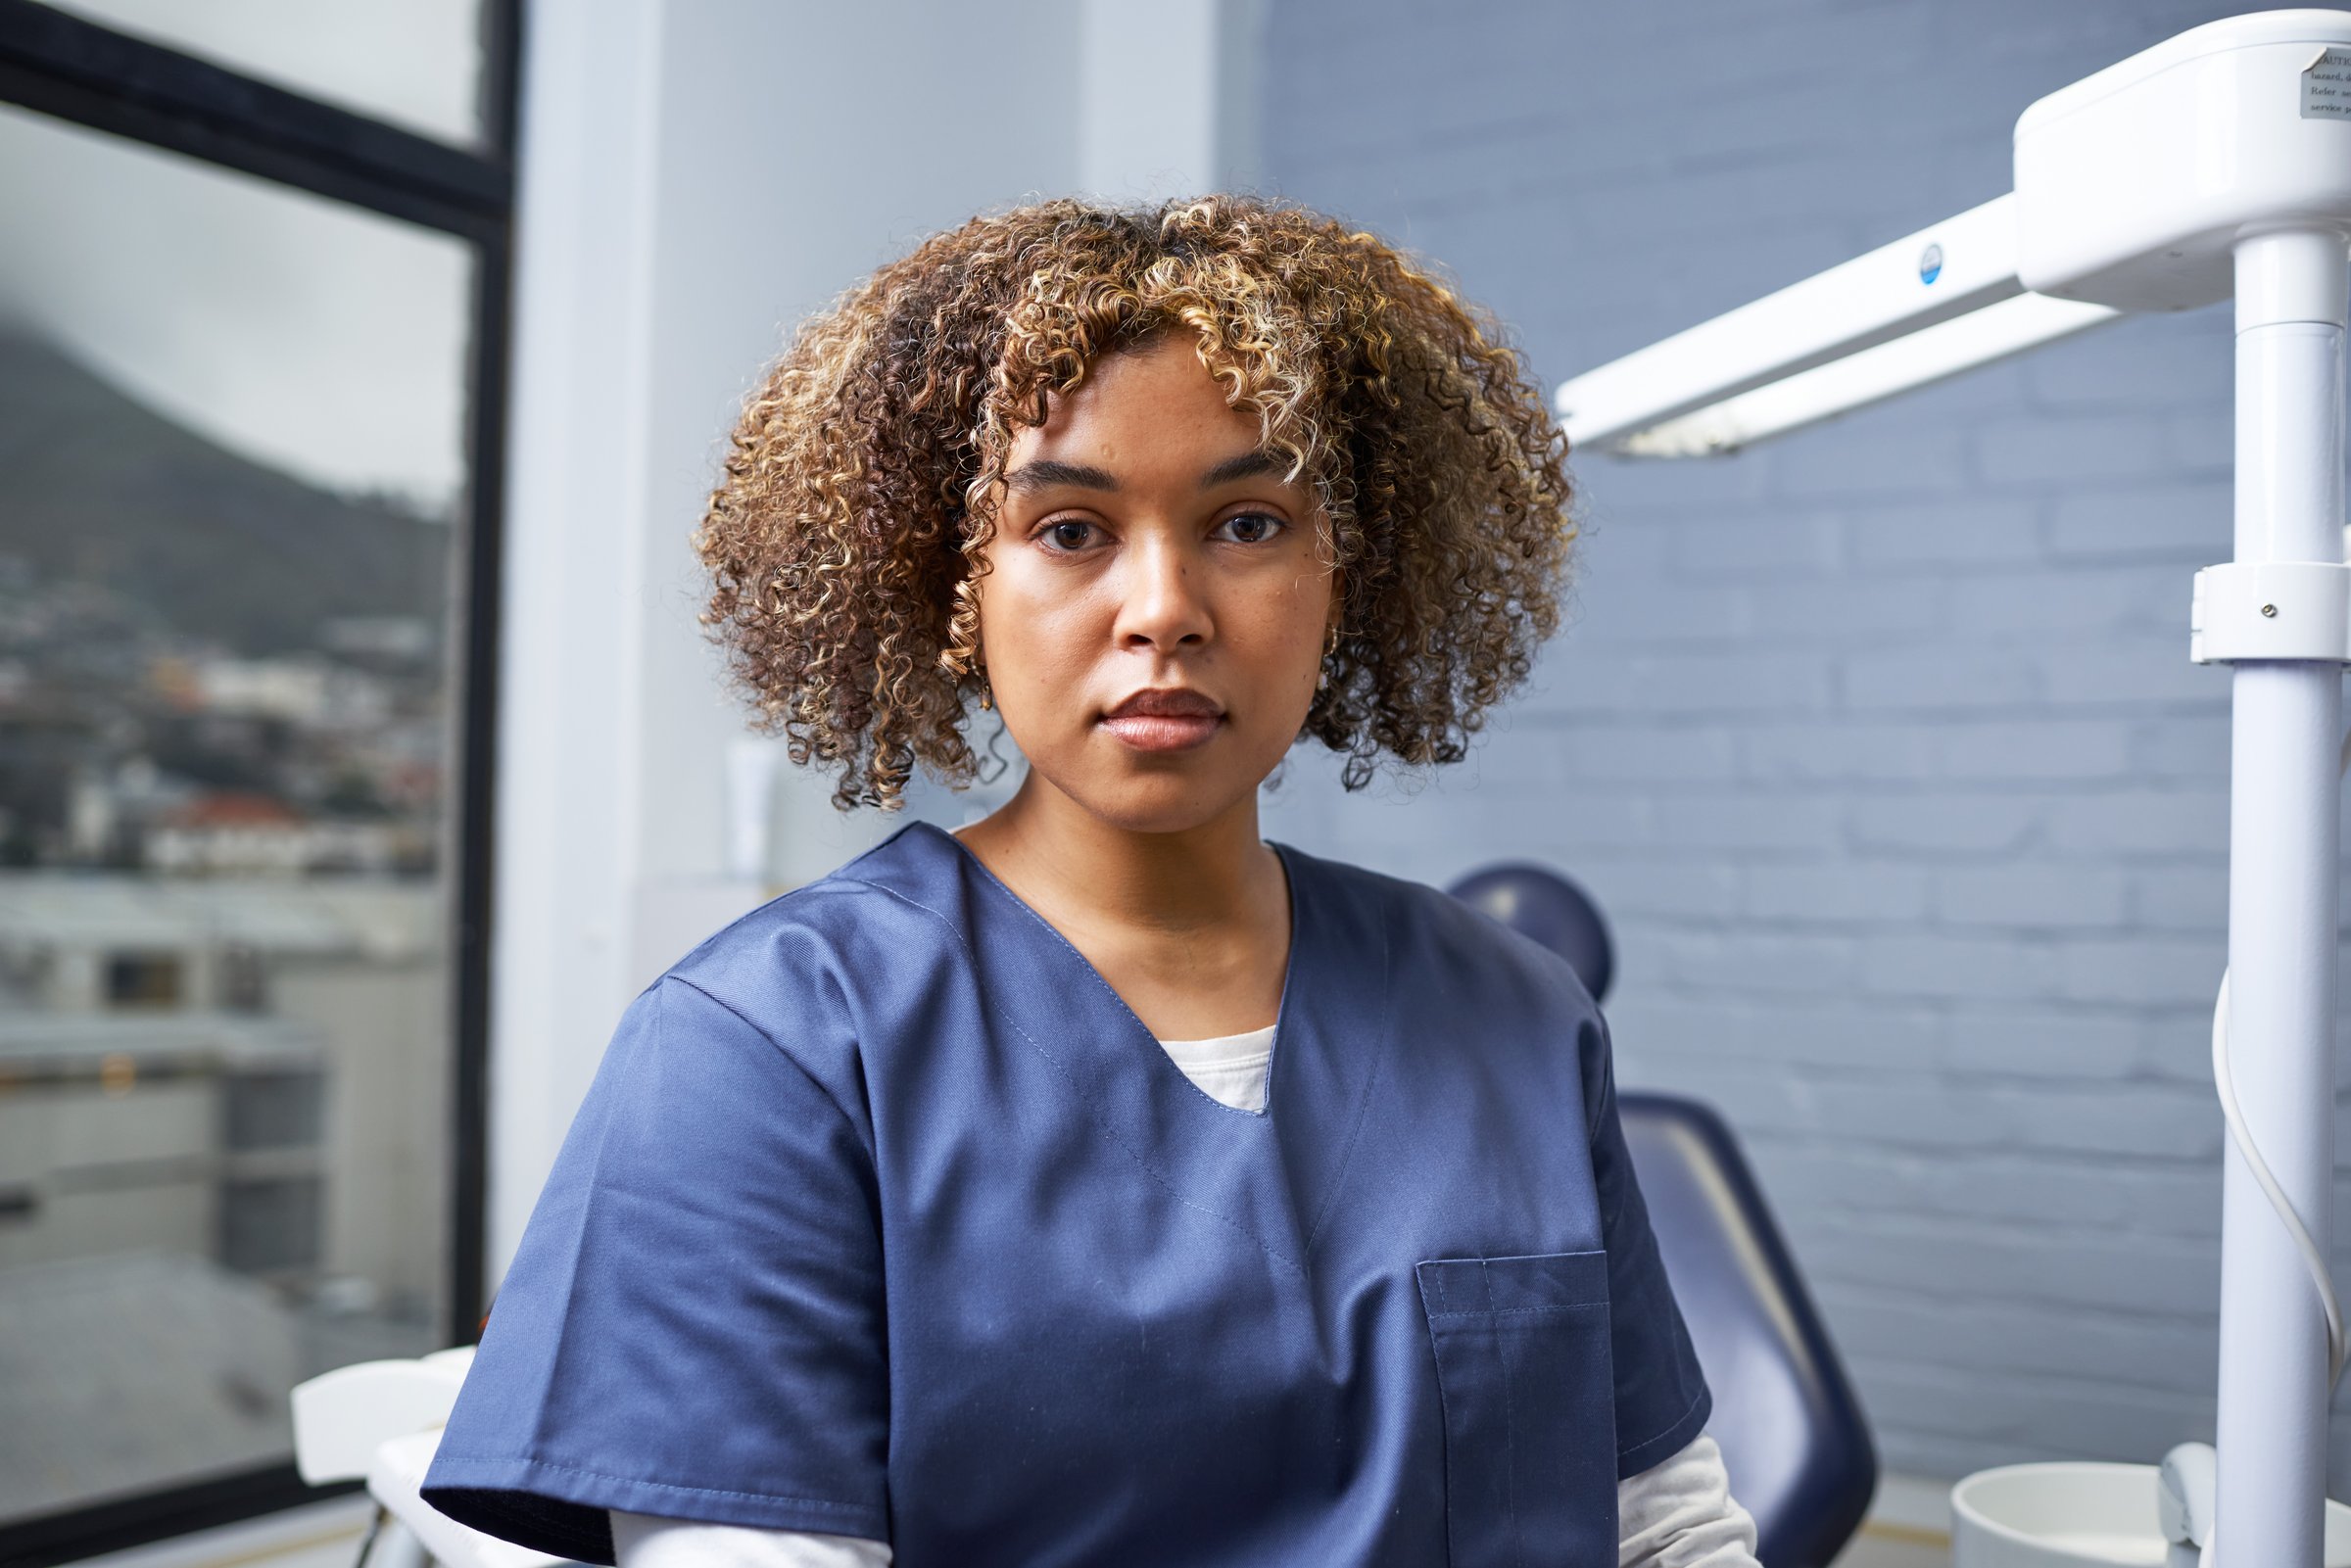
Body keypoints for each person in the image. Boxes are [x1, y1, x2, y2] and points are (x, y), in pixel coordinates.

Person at [419, 195, 1761, 1568]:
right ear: (953, 583)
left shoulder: (1515, 1017)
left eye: (1248, 522)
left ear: (1344, 573)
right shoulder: (765, 1048)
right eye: (1070, 530)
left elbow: (1665, 1530)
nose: (1164, 606)